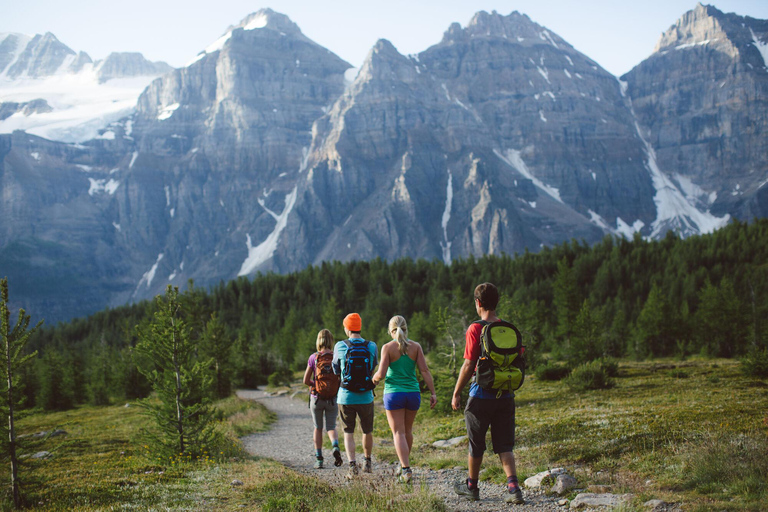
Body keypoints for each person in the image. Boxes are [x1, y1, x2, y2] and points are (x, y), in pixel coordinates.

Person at [451, 282, 524, 504]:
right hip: (506, 395)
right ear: (496, 302)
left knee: (476, 443)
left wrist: (456, 393)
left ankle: (472, 487)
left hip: (480, 395)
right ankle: (514, 489)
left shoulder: (475, 328)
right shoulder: (508, 328)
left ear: (478, 303)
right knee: (505, 444)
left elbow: (467, 365)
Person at [372, 315, 437, 483]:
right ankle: (403, 465)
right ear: (406, 328)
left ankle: (406, 470)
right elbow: (424, 371)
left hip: (394, 394)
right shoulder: (416, 347)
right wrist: (433, 393)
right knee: (407, 431)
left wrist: (374, 379)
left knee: (398, 432)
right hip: (413, 393)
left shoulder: (387, 347)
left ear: (390, 331)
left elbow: (382, 373)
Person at [333, 313, 378, 479]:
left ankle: (352, 466)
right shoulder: (371, 346)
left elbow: (336, 369)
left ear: (347, 328)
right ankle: (367, 462)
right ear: (359, 327)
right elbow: (373, 366)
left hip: (346, 396)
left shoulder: (340, 346)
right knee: (367, 431)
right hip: (366, 396)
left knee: (348, 431)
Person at [303, 329, 343, 469]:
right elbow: (340, 378)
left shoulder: (313, 357)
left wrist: (316, 385)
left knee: (318, 428)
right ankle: (335, 446)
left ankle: (319, 459)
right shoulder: (336, 357)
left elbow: (305, 380)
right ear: (331, 341)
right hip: (332, 399)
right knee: (331, 427)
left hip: (317, 398)